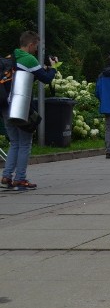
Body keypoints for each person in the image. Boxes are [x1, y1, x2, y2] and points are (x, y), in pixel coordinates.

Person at [0, 31, 57, 190]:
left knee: (15, 142)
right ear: (31, 44)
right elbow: (46, 78)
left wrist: (43, 68)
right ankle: (20, 179)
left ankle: (6, 176)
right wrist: (53, 68)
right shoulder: (29, 59)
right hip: (20, 106)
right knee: (25, 142)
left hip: (5, 106)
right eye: (36, 46)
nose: (36, 49)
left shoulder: (11, 58)